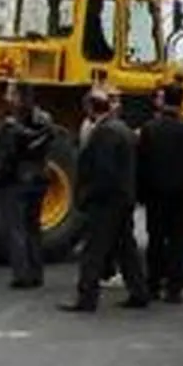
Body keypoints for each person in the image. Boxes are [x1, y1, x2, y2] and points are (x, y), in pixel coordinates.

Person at [60, 92, 148, 312]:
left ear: (90, 108)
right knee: (126, 248)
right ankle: (139, 292)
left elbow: (103, 171)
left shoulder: (104, 133)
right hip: (123, 197)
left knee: (93, 251)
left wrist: (87, 195)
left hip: (106, 201)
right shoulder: (123, 130)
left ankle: (87, 298)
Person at [136, 82, 183, 303]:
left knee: (155, 241)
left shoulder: (149, 129)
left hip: (155, 195)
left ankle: (153, 285)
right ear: (182, 101)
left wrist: (141, 193)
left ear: (163, 100)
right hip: (182, 197)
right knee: (178, 242)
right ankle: (174, 289)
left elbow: (141, 165)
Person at [0, 82, 55, 289]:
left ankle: (21, 275)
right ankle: (36, 272)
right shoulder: (44, 120)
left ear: (17, 97)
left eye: (9, 92)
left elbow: (5, 158)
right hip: (38, 179)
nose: (6, 96)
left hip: (15, 181)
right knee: (33, 227)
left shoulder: (10, 127)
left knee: (15, 228)